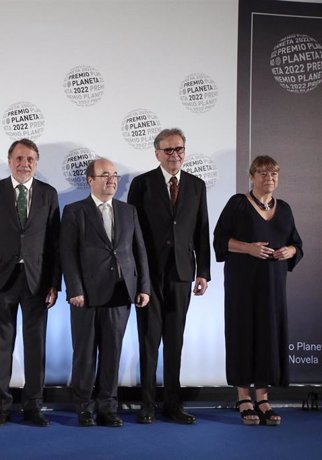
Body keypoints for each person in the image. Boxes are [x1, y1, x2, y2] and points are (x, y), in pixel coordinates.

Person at [0, 138, 61, 427]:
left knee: (35, 345)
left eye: (30, 159)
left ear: (36, 163)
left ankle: (33, 406)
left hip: (37, 281)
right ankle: (0, 405)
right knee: (1, 345)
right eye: (19, 159)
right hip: (0, 280)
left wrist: (54, 282)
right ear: (10, 161)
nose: (25, 164)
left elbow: (54, 243)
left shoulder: (49, 194)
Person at [127, 128, 210, 424]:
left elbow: (201, 230)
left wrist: (204, 272)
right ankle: (147, 405)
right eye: (168, 150)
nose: (174, 155)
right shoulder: (142, 184)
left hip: (182, 274)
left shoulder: (197, 185)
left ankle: (173, 404)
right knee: (148, 341)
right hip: (149, 275)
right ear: (157, 153)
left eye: (179, 149)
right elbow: (131, 233)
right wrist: (136, 274)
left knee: (175, 341)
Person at [60, 158, 150, 427]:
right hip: (85, 296)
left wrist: (143, 286)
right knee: (85, 354)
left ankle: (108, 407)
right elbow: (67, 253)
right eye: (105, 175)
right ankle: (84, 407)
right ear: (91, 180)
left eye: (114, 175)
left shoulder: (128, 211)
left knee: (113, 353)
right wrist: (74, 288)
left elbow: (139, 251)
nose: (112, 179)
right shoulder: (74, 211)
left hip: (121, 293)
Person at [213, 155, 302, 426]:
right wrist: (249, 247)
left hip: (273, 286)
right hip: (243, 283)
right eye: (262, 173)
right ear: (252, 176)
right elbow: (219, 240)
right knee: (243, 334)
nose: (269, 178)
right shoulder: (238, 204)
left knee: (268, 336)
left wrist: (291, 250)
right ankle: (243, 396)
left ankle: (263, 397)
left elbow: (296, 243)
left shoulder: (284, 208)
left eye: (273, 173)